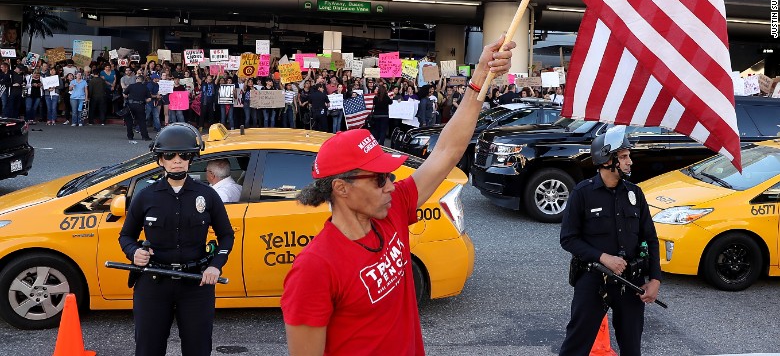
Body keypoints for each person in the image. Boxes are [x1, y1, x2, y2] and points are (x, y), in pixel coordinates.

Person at [280, 35, 515, 355]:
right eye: (379, 179)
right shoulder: (314, 269)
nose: (392, 185)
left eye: (389, 175)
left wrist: (478, 80)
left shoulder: (392, 210)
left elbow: (446, 151)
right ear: (341, 188)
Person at [118, 123, 234, 356]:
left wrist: (215, 266)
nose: (177, 160)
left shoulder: (207, 195)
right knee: (148, 348)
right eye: (169, 155)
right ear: (160, 160)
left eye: (184, 155)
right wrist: (133, 252)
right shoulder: (146, 196)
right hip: (153, 282)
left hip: (196, 283)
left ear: (192, 158)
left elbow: (226, 235)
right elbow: (126, 236)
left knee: (198, 348)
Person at [559, 125, 662, 356]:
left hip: (631, 283)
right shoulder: (582, 193)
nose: (630, 162)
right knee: (576, 345)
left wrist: (655, 279)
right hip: (593, 279)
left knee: (631, 347)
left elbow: (650, 238)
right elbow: (568, 239)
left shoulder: (635, 194)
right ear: (606, 160)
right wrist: (603, 257)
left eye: (629, 156)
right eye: (623, 157)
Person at [124, 74, 151, 142]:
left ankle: (130, 136)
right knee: (142, 121)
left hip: (130, 105)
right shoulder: (145, 87)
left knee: (129, 121)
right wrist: (143, 101)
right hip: (140, 105)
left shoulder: (131, 86)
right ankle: (145, 137)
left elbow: (124, 94)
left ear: (137, 79)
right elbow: (149, 99)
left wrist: (128, 97)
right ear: (142, 81)